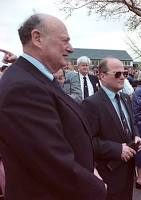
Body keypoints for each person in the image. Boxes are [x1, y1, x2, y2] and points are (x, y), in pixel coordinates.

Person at [0, 14, 106, 200]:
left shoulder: (36, 79)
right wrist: (97, 187)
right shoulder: (23, 88)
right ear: (37, 38)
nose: (71, 48)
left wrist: (90, 167)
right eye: (65, 41)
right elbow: (50, 160)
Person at [81, 57, 141, 200]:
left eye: (125, 74)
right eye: (117, 74)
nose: (122, 77)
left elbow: (131, 124)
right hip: (108, 174)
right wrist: (116, 149)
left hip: (128, 171)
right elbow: (87, 142)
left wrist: (136, 136)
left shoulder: (126, 98)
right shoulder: (91, 104)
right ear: (102, 76)